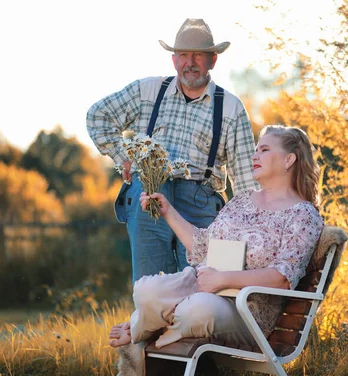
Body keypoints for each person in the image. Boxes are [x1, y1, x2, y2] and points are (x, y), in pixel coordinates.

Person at [109, 125, 324, 351]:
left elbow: (282, 277)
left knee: (198, 309)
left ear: (289, 159)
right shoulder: (242, 200)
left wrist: (222, 279)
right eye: (256, 150)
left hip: (245, 312)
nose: (255, 155)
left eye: (264, 150)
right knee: (145, 290)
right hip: (199, 288)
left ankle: (146, 328)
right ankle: (155, 325)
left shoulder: (303, 215)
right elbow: (202, 247)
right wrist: (168, 211)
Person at [86, 18, 259, 284]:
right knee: (150, 286)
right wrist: (124, 157)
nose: (190, 62)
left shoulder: (231, 109)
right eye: (183, 55)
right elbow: (98, 116)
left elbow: (247, 185)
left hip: (200, 201)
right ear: (174, 60)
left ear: (213, 60)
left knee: (200, 288)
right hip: (149, 194)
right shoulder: (149, 90)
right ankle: (150, 325)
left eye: (198, 56)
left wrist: (255, 233)